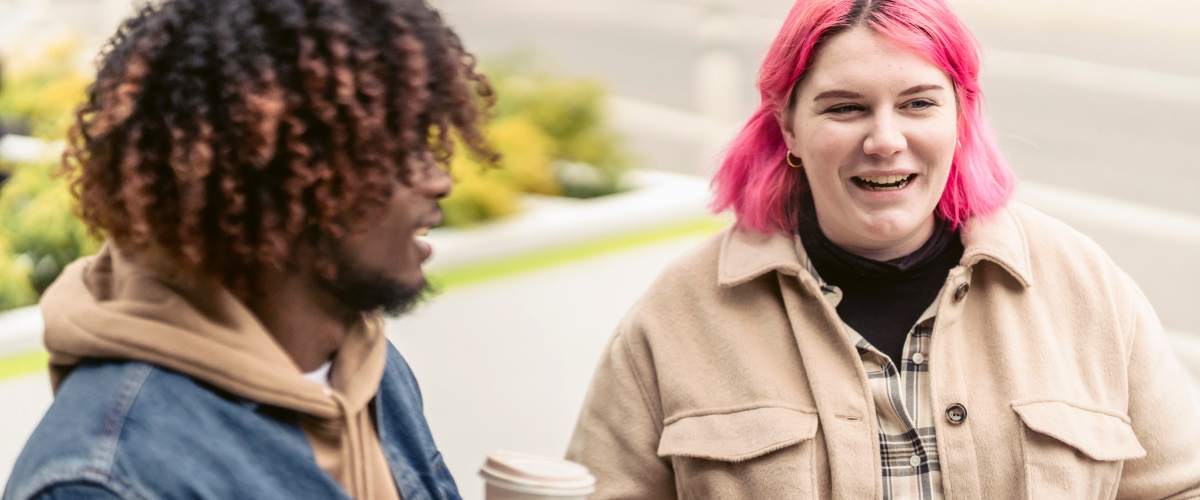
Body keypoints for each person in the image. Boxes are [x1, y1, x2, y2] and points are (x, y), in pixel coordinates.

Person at [566, 0, 1200, 498]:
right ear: (788, 125)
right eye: (845, 109)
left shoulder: (1085, 285)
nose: (885, 140)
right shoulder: (680, 313)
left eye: (918, 103)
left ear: (961, 116)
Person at [2, 0, 496, 498]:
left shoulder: (373, 371)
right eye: (396, 154)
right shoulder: (106, 480)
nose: (440, 181)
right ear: (280, 183)